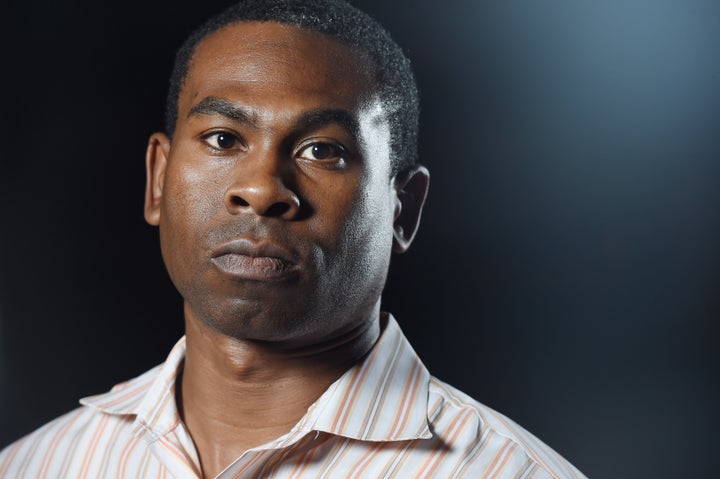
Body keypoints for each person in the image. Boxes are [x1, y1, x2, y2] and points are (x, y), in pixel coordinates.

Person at [0, 0, 586, 477]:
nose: (261, 190)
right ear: (158, 179)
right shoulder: (38, 466)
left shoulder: (510, 472)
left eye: (322, 151)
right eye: (224, 139)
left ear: (402, 210)